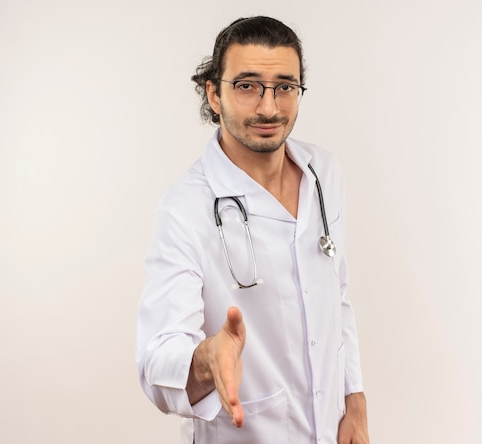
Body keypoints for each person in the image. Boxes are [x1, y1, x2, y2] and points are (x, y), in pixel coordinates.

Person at [136, 16, 370, 443]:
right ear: (214, 93)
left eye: (285, 86)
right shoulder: (184, 209)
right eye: (247, 85)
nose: (269, 107)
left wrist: (354, 402)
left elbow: (337, 299)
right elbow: (156, 360)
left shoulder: (324, 175)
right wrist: (208, 359)